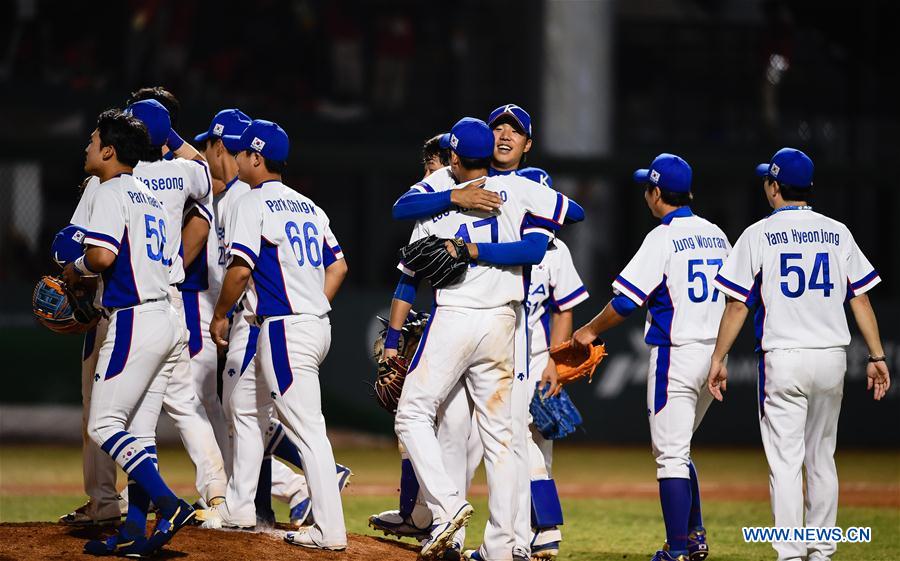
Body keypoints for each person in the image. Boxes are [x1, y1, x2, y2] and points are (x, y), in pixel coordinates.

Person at [394, 117, 574, 561]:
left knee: (412, 413)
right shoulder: (517, 188)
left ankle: (447, 506)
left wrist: (454, 202)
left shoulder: (440, 186)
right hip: (502, 322)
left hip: (456, 314)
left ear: (454, 157)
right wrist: (526, 196)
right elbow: (575, 212)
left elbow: (400, 209)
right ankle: (501, 546)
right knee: (502, 439)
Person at [707, 148, 890, 561]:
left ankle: (790, 553)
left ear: (774, 186)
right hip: (831, 357)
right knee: (822, 457)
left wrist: (718, 358)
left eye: (767, 181)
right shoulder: (837, 232)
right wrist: (877, 355)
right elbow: (860, 298)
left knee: (786, 462)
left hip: (785, 356)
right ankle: (821, 551)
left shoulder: (758, 234)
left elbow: (737, 306)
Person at [572, 154, 730, 561]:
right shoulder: (716, 235)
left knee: (671, 455)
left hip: (676, 356)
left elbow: (626, 302)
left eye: (648, 187)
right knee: (680, 449)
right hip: (714, 355)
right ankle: (693, 536)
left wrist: (589, 330)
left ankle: (677, 550)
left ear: (657, 193)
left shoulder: (662, 238)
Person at [210, 119, 350, 550]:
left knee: (307, 429)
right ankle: (239, 507)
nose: (237, 159)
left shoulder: (252, 202)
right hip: (308, 324)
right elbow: (339, 265)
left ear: (256, 158)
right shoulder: (309, 206)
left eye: (242, 153)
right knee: (244, 407)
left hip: (286, 328)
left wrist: (220, 315)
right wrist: (313, 303)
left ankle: (330, 530)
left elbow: (240, 270)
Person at [61, 109, 195, 556]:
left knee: (103, 425)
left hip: (135, 319)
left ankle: (168, 504)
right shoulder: (149, 195)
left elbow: (101, 257)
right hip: (168, 317)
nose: (87, 146)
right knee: (138, 433)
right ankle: (135, 529)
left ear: (109, 151)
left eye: (93, 139)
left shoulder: (108, 189)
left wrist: (74, 268)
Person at [124, 99, 228, 509]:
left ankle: (142, 499)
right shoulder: (182, 172)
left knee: (122, 411)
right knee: (185, 402)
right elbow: (203, 168)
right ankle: (216, 490)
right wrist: (167, 133)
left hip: (134, 300)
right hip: (171, 298)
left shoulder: (122, 178)